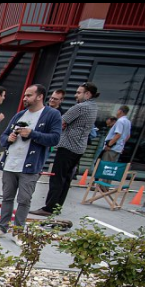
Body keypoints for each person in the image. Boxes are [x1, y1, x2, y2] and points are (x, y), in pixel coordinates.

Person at [0, 84, 62, 245]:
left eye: (28, 95)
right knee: (7, 197)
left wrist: (32, 134)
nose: (25, 98)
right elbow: (3, 136)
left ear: (39, 96)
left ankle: (18, 232)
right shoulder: (20, 114)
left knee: (24, 199)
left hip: (30, 166)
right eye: (25, 95)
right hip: (10, 163)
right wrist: (9, 139)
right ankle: (2, 228)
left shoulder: (51, 115)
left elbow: (55, 139)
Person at [31, 82, 99, 216]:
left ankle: (48, 208)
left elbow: (60, 122)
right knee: (66, 179)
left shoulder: (80, 107)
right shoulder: (93, 107)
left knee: (57, 178)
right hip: (79, 147)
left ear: (87, 94)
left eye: (79, 92)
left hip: (68, 146)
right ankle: (57, 207)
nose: (76, 95)